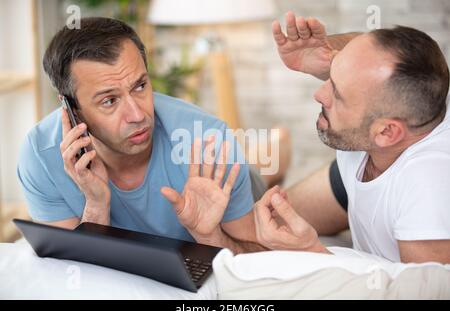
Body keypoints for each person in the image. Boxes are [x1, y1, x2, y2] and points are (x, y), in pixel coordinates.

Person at [17, 17, 291, 254]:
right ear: (71, 109)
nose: (137, 115)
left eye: (140, 86)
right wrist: (97, 206)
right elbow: (70, 275)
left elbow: (259, 261)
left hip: (233, 178)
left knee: (266, 183)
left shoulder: (208, 140)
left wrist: (210, 237)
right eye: (109, 101)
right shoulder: (41, 154)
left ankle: (275, 154)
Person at [253, 12, 450, 264]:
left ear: (386, 132)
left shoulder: (427, 188)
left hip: (396, 184)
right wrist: (328, 51)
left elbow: (419, 292)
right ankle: (261, 175)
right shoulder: (379, 130)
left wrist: (314, 254)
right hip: (368, 162)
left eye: (337, 92)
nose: (319, 94)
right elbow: (368, 47)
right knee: (260, 227)